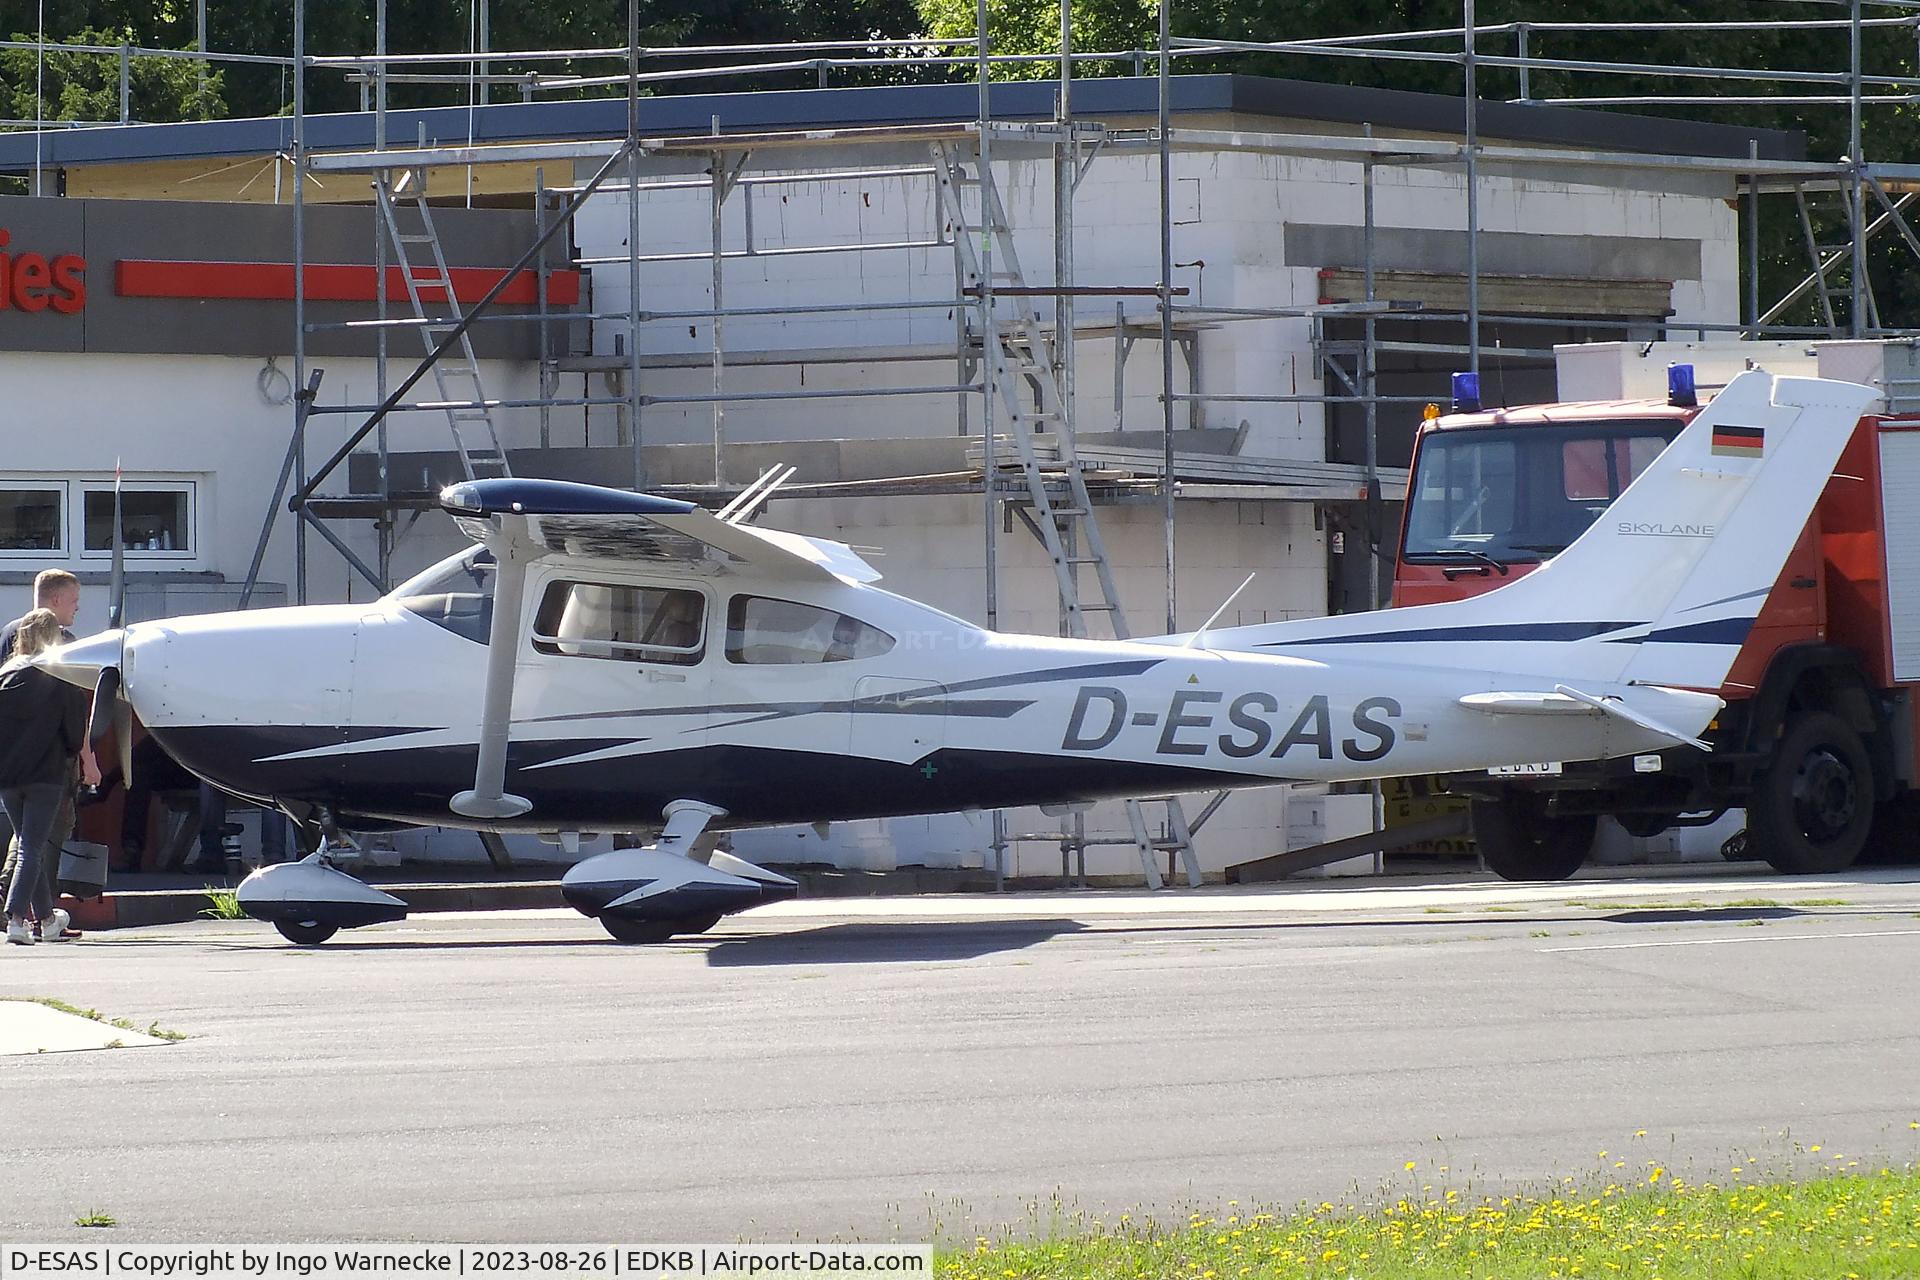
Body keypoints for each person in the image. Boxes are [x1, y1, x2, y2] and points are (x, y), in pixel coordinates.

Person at [0, 570, 99, 935]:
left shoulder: (5, 672)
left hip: (8, 775)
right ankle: (14, 917)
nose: (76, 609)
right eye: (73, 601)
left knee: (28, 841)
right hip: (46, 772)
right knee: (33, 847)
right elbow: (75, 730)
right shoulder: (62, 671)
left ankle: (45, 919)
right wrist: (84, 758)